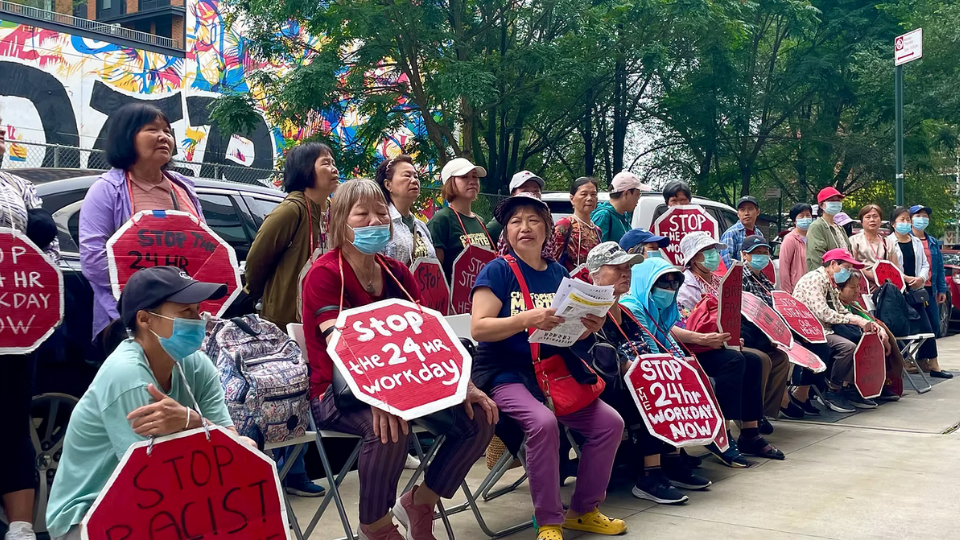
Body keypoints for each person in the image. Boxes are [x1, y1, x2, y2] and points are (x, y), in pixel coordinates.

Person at [302, 179, 496, 540]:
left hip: (406, 385)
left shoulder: (397, 272)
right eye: (362, 214)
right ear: (341, 221)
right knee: (388, 431)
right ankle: (375, 527)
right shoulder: (325, 274)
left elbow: (427, 338)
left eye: (381, 214)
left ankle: (421, 502)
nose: (375, 222)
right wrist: (379, 396)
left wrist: (464, 384)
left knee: (480, 415)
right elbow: (340, 345)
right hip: (336, 391)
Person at [45, 267, 251, 540]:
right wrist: (208, 434)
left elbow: (237, 449)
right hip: (88, 517)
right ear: (145, 319)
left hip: (157, 506)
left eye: (197, 311)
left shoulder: (197, 364)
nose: (198, 321)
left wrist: (192, 422)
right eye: (185, 313)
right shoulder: (127, 374)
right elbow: (154, 477)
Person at [471, 194, 626, 540]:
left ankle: (584, 510)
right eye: (515, 221)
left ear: (546, 230)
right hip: (504, 373)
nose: (524, 228)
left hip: (552, 369)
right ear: (506, 232)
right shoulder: (497, 271)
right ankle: (549, 520)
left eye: (533, 220)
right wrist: (527, 318)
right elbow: (479, 327)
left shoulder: (557, 273)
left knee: (609, 424)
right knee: (542, 424)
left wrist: (590, 323)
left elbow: (567, 331)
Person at [630, 242, 783, 465]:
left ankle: (750, 432)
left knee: (753, 360)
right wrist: (701, 341)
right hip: (686, 348)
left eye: (673, 282)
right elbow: (673, 330)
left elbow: (669, 328)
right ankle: (722, 433)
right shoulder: (649, 297)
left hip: (693, 347)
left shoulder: (715, 281)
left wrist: (725, 337)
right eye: (665, 281)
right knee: (734, 360)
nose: (670, 286)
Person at [244, 142, 338, 497]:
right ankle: (280, 472)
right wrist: (265, 301)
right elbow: (256, 262)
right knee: (285, 397)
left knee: (301, 396)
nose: (333, 168)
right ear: (305, 170)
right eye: (325, 162)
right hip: (284, 322)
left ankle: (293, 470)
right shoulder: (291, 212)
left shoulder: (325, 211)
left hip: (313, 322)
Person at [585, 242, 711, 504]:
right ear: (593, 275)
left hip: (631, 379)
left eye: (628, 267)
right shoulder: (587, 311)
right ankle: (649, 475)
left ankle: (672, 460)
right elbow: (592, 355)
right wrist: (630, 366)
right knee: (654, 393)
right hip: (600, 386)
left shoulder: (626, 311)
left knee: (679, 383)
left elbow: (648, 346)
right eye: (617, 268)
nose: (625, 273)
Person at [79, 103, 204, 351]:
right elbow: (93, 259)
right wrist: (148, 296)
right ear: (127, 137)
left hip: (182, 319)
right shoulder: (107, 189)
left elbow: (204, 249)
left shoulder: (185, 188)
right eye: (151, 129)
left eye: (167, 131)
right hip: (129, 320)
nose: (163, 137)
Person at [0, 118, 60, 540]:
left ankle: (20, 527)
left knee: (11, 421)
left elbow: (49, 255)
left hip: (14, 326)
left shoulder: (21, 187)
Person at [793, 249, 883, 411]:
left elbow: (840, 309)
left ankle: (852, 388)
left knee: (863, 340)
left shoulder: (829, 281)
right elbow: (823, 313)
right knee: (847, 348)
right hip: (811, 331)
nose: (848, 272)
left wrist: (863, 320)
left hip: (824, 329)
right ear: (833, 264)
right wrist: (854, 320)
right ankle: (834, 390)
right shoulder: (815, 280)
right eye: (847, 267)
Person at [738, 236, 792, 426]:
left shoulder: (764, 280)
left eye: (764, 252)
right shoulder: (739, 278)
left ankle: (765, 412)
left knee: (782, 359)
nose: (761, 256)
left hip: (765, 335)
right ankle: (751, 414)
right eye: (756, 253)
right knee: (761, 360)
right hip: (747, 335)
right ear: (745, 255)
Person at [891, 207, 950, 378]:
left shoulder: (919, 241)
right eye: (902, 219)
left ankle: (932, 364)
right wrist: (905, 278)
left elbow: (929, 265)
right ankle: (902, 361)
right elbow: (888, 266)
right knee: (903, 327)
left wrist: (921, 278)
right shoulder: (888, 242)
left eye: (907, 220)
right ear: (893, 223)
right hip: (898, 290)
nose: (906, 223)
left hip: (919, 290)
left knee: (930, 327)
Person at [836, 271, 905, 401]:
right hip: (846, 338)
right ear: (839, 289)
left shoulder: (854, 305)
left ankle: (878, 384)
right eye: (852, 287)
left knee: (878, 338)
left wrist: (882, 332)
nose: (857, 291)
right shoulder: (836, 305)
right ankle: (853, 388)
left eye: (858, 287)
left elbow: (870, 320)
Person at [427, 157, 495, 282]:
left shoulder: (479, 220)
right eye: (464, 177)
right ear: (450, 182)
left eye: (475, 176)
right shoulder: (441, 220)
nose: (472, 181)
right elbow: (434, 274)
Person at [909, 204, 952, 379]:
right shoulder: (906, 239)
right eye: (918, 215)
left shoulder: (932, 242)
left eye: (925, 216)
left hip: (929, 289)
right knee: (917, 325)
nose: (922, 219)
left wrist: (942, 289)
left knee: (934, 325)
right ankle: (913, 361)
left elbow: (939, 268)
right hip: (912, 289)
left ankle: (921, 358)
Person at [375, 154, 437, 266]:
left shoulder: (421, 226)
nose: (414, 181)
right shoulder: (379, 224)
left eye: (416, 177)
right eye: (407, 176)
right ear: (388, 185)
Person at [551, 177, 603, 272]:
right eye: (584, 194)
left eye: (593, 194)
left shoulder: (597, 230)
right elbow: (552, 259)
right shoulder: (565, 225)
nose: (589, 198)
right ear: (572, 199)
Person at [486, 170, 544, 243]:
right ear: (513, 194)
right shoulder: (502, 220)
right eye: (525, 191)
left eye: (535, 191)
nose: (531, 195)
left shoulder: (545, 218)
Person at [849, 204, 899, 287]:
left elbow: (896, 268)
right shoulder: (854, 240)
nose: (872, 220)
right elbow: (853, 265)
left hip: (885, 286)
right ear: (861, 221)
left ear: (880, 221)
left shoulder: (888, 242)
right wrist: (873, 277)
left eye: (875, 216)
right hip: (862, 285)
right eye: (868, 217)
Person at [806, 187, 851, 271]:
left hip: (843, 277)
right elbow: (818, 259)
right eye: (832, 200)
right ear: (821, 205)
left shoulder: (839, 227)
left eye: (838, 200)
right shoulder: (817, 226)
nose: (836, 203)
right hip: (825, 278)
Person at [592, 171, 642, 243]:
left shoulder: (623, 216)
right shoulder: (604, 215)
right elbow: (596, 250)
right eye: (637, 195)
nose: (638, 199)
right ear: (626, 193)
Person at [779, 203, 813, 294]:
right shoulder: (790, 239)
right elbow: (784, 267)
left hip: (813, 289)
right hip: (797, 290)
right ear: (794, 220)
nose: (805, 218)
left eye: (808, 215)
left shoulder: (814, 238)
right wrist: (787, 292)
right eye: (801, 216)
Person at [720, 196, 762, 267]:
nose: (746, 213)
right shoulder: (731, 234)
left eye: (750, 209)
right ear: (738, 214)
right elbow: (727, 263)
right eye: (742, 210)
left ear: (758, 212)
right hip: (738, 277)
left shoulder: (759, 234)